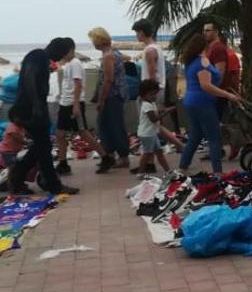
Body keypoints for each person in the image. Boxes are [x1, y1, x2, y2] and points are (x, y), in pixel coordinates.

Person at [8, 38, 79, 195]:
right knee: (43, 147)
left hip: (30, 108)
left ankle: (17, 177)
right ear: (57, 50)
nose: (61, 58)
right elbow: (30, 78)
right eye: (62, 53)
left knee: (42, 146)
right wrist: (37, 106)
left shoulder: (40, 58)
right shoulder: (38, 56)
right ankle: (52, 185)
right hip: (31, 109)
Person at [178, 34, 241, 173]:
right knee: (214, 137)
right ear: (205, 46)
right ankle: (217, 171)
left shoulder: (190, 62)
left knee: (195, 136)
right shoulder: (203, 63)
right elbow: (206, 86)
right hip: (203, 102)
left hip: (190, 101)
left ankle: (183, 166)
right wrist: (228, 95)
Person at [55, 39, 112, 175]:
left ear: (71, 50)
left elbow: (78, 84)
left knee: (82, 133)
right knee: (61, 134)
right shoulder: (70, 64)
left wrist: (75, 105)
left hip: (71, 104)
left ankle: (105, 157)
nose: (62, 54)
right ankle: (63, 163)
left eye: (64, 51)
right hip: (66, 103)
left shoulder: (75, 64)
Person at [132, 19, 184, 152]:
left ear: (142, 32)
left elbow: (152, 74)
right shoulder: (156, 48)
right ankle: (177, 146)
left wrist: (147, 95)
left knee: (150, 123)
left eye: (137, 32)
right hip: (157, 89)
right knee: (154, 124)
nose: (136, 35)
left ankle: (178, 146)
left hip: (150, 91)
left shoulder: (150, 51)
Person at [90, 27, 131, 174]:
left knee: (111, 126)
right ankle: (112, 155)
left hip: (112, 96)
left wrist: (101, 100)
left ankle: (121, 156)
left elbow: (108, 80)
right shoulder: (115, 53)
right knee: (110, 125)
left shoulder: (108, 56)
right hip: (116, 95)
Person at [136, 80, 171, 175]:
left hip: (151, 133)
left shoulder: (151, 103)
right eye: (151, 94)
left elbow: (155, 113)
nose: (154, 96)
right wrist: (166, 112)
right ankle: (140, 172)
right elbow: (154, 119)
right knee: (147, 154)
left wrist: (162, 111)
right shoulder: (146, 105)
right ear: (143, 95)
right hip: (147, 134)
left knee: (159, 152)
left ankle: (168, 171)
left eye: (155, 94)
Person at [203, 23, 229, 120]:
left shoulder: (217, 48)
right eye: (204, 30)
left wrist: (213, 92)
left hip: (216, 95)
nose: (205, 33)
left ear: (216, 32)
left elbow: (220, 73)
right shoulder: (211, 48)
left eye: (208, 30)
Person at [0, 109, 27, 192]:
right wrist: (28, 142)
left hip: (15, 151)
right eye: (19, 117)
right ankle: (11, 186)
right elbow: (20, 139)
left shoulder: (21, 127)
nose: (22, 119)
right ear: (13, 118)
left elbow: (27, 134)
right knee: (13, 167)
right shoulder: (12, 128)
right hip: (7, 151)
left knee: (20, 164)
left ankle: (19, 183)